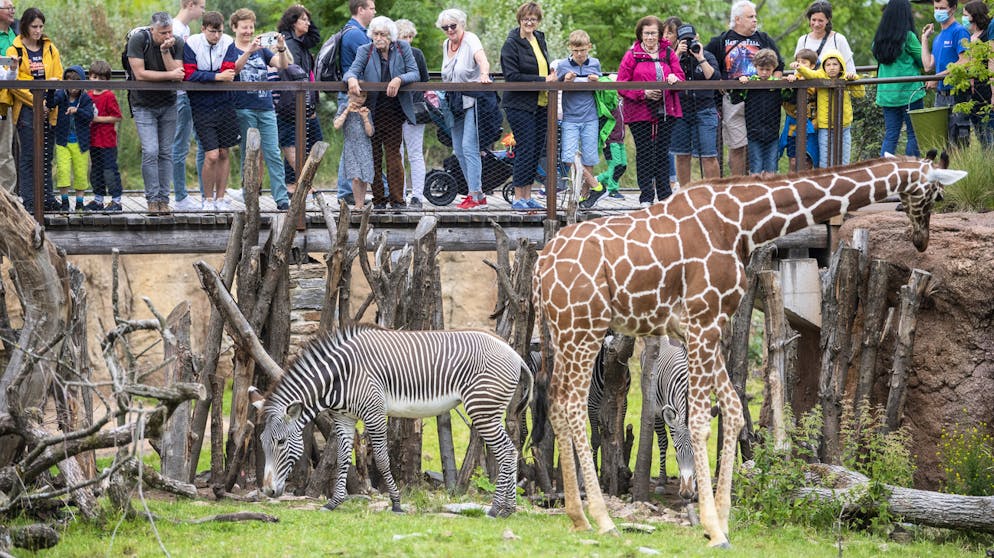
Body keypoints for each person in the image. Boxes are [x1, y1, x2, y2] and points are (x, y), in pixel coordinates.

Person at [342, 16, 419, 210]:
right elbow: (350, 71)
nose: (378, 38)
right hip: (371, 111)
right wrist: (352, 79)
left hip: (394, 110)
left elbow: (414, 72)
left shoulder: (402, 48)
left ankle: (398, 200)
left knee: (393, 155)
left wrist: (399, 79)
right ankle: (378, 199)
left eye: (382, 34)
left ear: (390, 36)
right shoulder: (365, 51)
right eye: (375, 34)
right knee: (374, 156)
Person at [705, 0, 783, 176]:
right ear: (738, 19)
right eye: (751, 17)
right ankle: (739, 187)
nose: (755, 20)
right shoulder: (721, 40)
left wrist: (774, 83)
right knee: (738, 145)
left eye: (755, 16)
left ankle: (760, 184)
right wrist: (720, 82)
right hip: (735, 99)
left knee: (760, 142)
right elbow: (707, 62)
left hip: (763, 101)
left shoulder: (763, 39)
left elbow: (779, 66)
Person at [228, 8, 292, 210]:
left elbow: (283, 65)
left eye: (251, 27)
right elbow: (234, 70)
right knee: (250, 154)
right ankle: (249, 195)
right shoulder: (231, 49)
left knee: (272, 152)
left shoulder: (263, 50)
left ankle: (281, 198)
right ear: (235, 28)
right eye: (244, 27)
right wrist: (248, 51)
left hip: (265, 107)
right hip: (244, 108)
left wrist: (281, 49)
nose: (248, 31)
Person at [618, 15, 684, 207]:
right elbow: (621, 84)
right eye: (646, 33)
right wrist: (643, 92)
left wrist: (673, 78)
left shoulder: (668, 53)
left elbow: (679, 76)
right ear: (640, 34)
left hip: (666, 110)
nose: (649, 37)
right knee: (645, 152)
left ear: (659, 34)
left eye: (653, 33)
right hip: (639, 112)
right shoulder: (632, 55)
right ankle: (646, 196)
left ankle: (664, 196)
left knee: (662, 152)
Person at [128, 11, 185, 215]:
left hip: (168, 102)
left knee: (166, 152)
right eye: (163, 33)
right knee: (151, 151)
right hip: (143, 104)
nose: (167, 36)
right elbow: (140, 74)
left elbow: (178, 75)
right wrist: (169, 75)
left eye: (170, 31)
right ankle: (152, 199)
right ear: (152, 29)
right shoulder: (138, 40)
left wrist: (164, 51)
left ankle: (164, 199)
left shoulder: (176, 42)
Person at [501, 2, 556, 210]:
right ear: (520, 20)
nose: (529, 22)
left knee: (535, 150)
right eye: (526, 18)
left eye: (533, 18)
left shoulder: (539, 38)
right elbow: (512, 76)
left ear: (538, 20)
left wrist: (552, 73)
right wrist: (544, 80)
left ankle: (528, 195)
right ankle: (518, 198)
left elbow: (542, 65)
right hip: (519, 104)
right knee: (525, 148)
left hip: (541, 104)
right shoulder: (511, 43)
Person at [5, 7, 61, 214]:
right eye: (34, 26)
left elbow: (58, 75)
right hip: (28, 108)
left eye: (41, 26)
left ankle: (47, 197)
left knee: (46, 154)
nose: (38, 31)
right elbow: (15, 83)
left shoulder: (50, 48)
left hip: (49, 106)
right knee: (29, 155)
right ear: (25, 27)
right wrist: (36, 101)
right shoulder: (15, 50)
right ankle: (29, 200)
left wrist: (49, 102)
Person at [183, 11, 238, 211]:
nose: (216, 36)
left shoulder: (228, 42)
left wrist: (206, 75)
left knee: (224, 152)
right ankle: (207, 199)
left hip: (225, 102)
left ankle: (221, 198)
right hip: (201, 104)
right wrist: (216, 77)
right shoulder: (192, 43)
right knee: (211, 155)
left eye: (220, 32)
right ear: (203, 29)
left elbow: (229, 71)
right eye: (213, 32)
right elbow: (189, 74)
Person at [438, 8, 492, 210]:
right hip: (454, 102)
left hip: (473, 99)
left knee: (470, 147)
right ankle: (476, 193)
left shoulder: (470, 39)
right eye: (445, 27)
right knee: (458, 149)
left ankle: (475, 194)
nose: (450, 30)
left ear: (462, 24)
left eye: (453, 26)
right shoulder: (446, 44)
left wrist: (484, 74)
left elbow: (482, 60)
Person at [663, 18, 720, 187]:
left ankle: (715, 191)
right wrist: (677, 55)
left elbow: (715, 78)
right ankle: (685, 192)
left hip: (705, 111)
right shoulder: (672, 57)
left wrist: (700, 57)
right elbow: (663, 74)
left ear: (697, 37)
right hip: (680, 112)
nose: (688, 44)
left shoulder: (708, 55)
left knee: (708, 155)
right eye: (684, 41)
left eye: (691, 39)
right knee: (681, 154)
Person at [554, 29, 605, 209]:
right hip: (570, 118)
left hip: (591, 117)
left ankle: (584, 197)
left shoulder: (595, 63)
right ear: (570, 48)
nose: (580, 54)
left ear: (589, 47)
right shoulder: (562, 65)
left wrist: (596, 81)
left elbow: (602, 84)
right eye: (576, 51)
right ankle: (597, 186)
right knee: (569, 157)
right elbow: (555, 86)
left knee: (589, 158)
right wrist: (565, 81)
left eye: (583, 50)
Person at [277, 4, 323, 196]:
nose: (308, 22)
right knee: (292, 144)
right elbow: (293, 72)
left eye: (308, 19)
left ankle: (300, 181)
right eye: (303, 19)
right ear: (293, 21)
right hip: (291, 102)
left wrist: (304, 11)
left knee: (314, 140)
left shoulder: (301, 42)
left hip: (306, 101)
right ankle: (294, 184)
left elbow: (316, 37)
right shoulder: (289, 42)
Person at [793, 48, 865, 166]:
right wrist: (799, 67)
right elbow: (809, 73)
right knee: (825, 161)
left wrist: (855, 79)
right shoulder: (820, 75)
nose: (832, 67)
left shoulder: (845, 78)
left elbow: (860, 94)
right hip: (825, 126)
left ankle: (843, 182)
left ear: (841, 66)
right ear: (823, 66)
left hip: (844, 125)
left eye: (835, 64)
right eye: (828, 64)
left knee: (844, 160)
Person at [872, 0, 925, 157]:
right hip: (910, 93)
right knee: (914, 134)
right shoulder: (908, 37)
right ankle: (911, 171)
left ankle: (884, 171)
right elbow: (924, 60)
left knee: (891, 135)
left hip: (887, 93)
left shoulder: (878, 39)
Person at [336, 0, 375, 206]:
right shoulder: (356, 34)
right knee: (350, 145)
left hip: (359, 93)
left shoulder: (353, 31)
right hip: (353, 95)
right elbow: (369, 60)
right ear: (360, 10)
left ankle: (349, 190)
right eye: (371, 8)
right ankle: (345, 191)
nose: (374, 11)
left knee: (354, 145)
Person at [171, 0, 205, 211]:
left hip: (190, 93)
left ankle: (204, 195)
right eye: (202, 6)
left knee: (199, 143)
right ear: (190, 5)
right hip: (179, 94)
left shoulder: (186, 29)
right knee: (180, 145)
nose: (204, 10)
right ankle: (181, 197)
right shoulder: (174, 28)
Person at [921, 0, 971, 145]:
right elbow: (928, 66)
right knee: (941, 142)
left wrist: (938, 77)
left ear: (953, 8)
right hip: (941, 96)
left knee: (958, 142)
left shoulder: (959, 31)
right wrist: (924, 39)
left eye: (942, 8)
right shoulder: (938, 37)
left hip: (957, 94)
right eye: (936, 8)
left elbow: (964, 61)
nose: (938, 11)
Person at [731, 49, 782, 174]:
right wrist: (739, 82)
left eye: (768, 69)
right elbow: (735, 99)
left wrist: (792, 80)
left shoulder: (778, 85)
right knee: (756, 167)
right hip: (754, 133)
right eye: (761, 69)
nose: (764, 72)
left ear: (774, 68)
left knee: (772, 168)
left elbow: (790, 97)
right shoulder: (750, 83)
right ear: (755, 67)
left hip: (773, 133)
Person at [395, 19, 429, 208]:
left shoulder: (417, 54)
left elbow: (424, 80)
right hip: (394, 109)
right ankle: (399, 192)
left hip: (414, 108)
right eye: (404, 37)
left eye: (410, 37)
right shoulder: (391, 55)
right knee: (396, 153)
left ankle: (417, 195)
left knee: (415, 153)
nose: (408, 40)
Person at [51, 65, 93, 212]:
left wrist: (77, 111)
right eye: (68, 81)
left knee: (81, 172)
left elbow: (90, 116)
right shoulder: (61, 95)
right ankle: (64, 202)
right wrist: (51, 89)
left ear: (82, 82)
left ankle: (80, 203)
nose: (72, 85)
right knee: (63, 171)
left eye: (76, 81)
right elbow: (50, 103)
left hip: (80, 143)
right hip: (63, 141)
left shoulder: (86, 98)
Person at [86, 60, 123, 212]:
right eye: (94, 77)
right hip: (92, 140)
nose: (97, 81)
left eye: (101, 78)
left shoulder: (109, 96)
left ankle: (116, 201)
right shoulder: (87, 95)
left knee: (110, 170)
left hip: (107, 142)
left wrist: (97, 119)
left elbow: (117, 116)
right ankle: (98, 199)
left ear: (107, 80)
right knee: (96, 170)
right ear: (89, 77)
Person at [958, 1, 992, 146]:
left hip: (986, 90)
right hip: (974, 93)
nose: (964, 18)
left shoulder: (986, 36)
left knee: (988, 133)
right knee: (980, 133)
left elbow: (990, 61)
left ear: (974, 16)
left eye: (966, 15)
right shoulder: (971, 36)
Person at [333, 89, 374, 210]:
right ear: (349, 94)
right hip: (350, 147)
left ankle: (361, 203)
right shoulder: (343, 107)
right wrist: (347, 111)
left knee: (364, 177)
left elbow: (370, 133)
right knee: (355, 177)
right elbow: (336, 125)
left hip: (365, 146)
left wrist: (365, 117)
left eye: (364, 96)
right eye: (357, 95)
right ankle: (358, 204)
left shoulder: (366, 111)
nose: (360, 99)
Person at [781, 48, 819, 168]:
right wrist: (790, 82)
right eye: (798, 61)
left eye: (804, 62)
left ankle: (808, 186)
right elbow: (785, 101)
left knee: (808, 162)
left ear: (812, 66)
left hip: (811, 128)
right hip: (793, 129)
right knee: (793, 162)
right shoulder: (792, 79)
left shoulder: (816, 80)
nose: (800, 65)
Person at [794, 1, 855, 75]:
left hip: (834, 85)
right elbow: (797, 70)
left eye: (820, 20)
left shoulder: (838, 39)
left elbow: (850, 68)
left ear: (828, 20)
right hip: (807, 86)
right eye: (813, 20)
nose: (816, 24)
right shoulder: (803, 40)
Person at [594, 74, 628, 199]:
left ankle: (597, 179)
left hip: (620, 140)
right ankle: (612, 189)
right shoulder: (609, 104)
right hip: (610, 140)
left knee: (623, 165)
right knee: (615, 164)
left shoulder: (621, 103)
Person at [0, 0, 18, 193]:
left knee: (5, 152)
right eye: (8, 7)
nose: (12, 10)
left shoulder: (16, 34)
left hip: (10, 100)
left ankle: (8, 198)